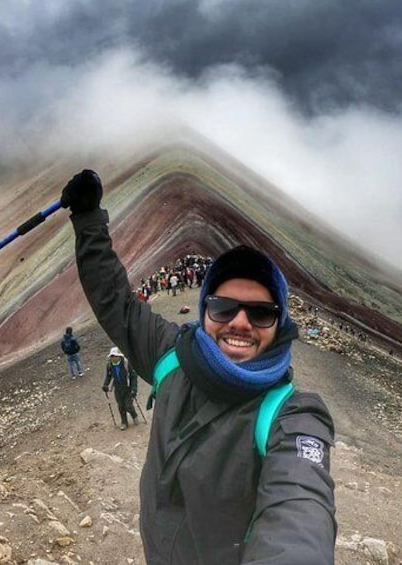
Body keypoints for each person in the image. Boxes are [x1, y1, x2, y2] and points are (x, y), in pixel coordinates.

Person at [61, 169, 336, 564]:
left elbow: (300, 508)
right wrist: (89, 223)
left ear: (280, 326)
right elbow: (116, 302)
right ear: (204, 310)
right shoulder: (172, 355)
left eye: (261, 313)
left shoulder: (293, 416)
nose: (240, 322)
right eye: (224, 307)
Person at [102, 347, 139, 430]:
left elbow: (133, 376)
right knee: (121, 406)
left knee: (128, 406)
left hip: (127, 388)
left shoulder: (126, 363)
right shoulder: (110, 365)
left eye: (114, 356)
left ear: (119, 356)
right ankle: (124, 422)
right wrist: (105, 385)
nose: (112, 358)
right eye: (111, 356)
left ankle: (134, 415)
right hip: (118, 389)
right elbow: (108, 376)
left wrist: (134, 389)